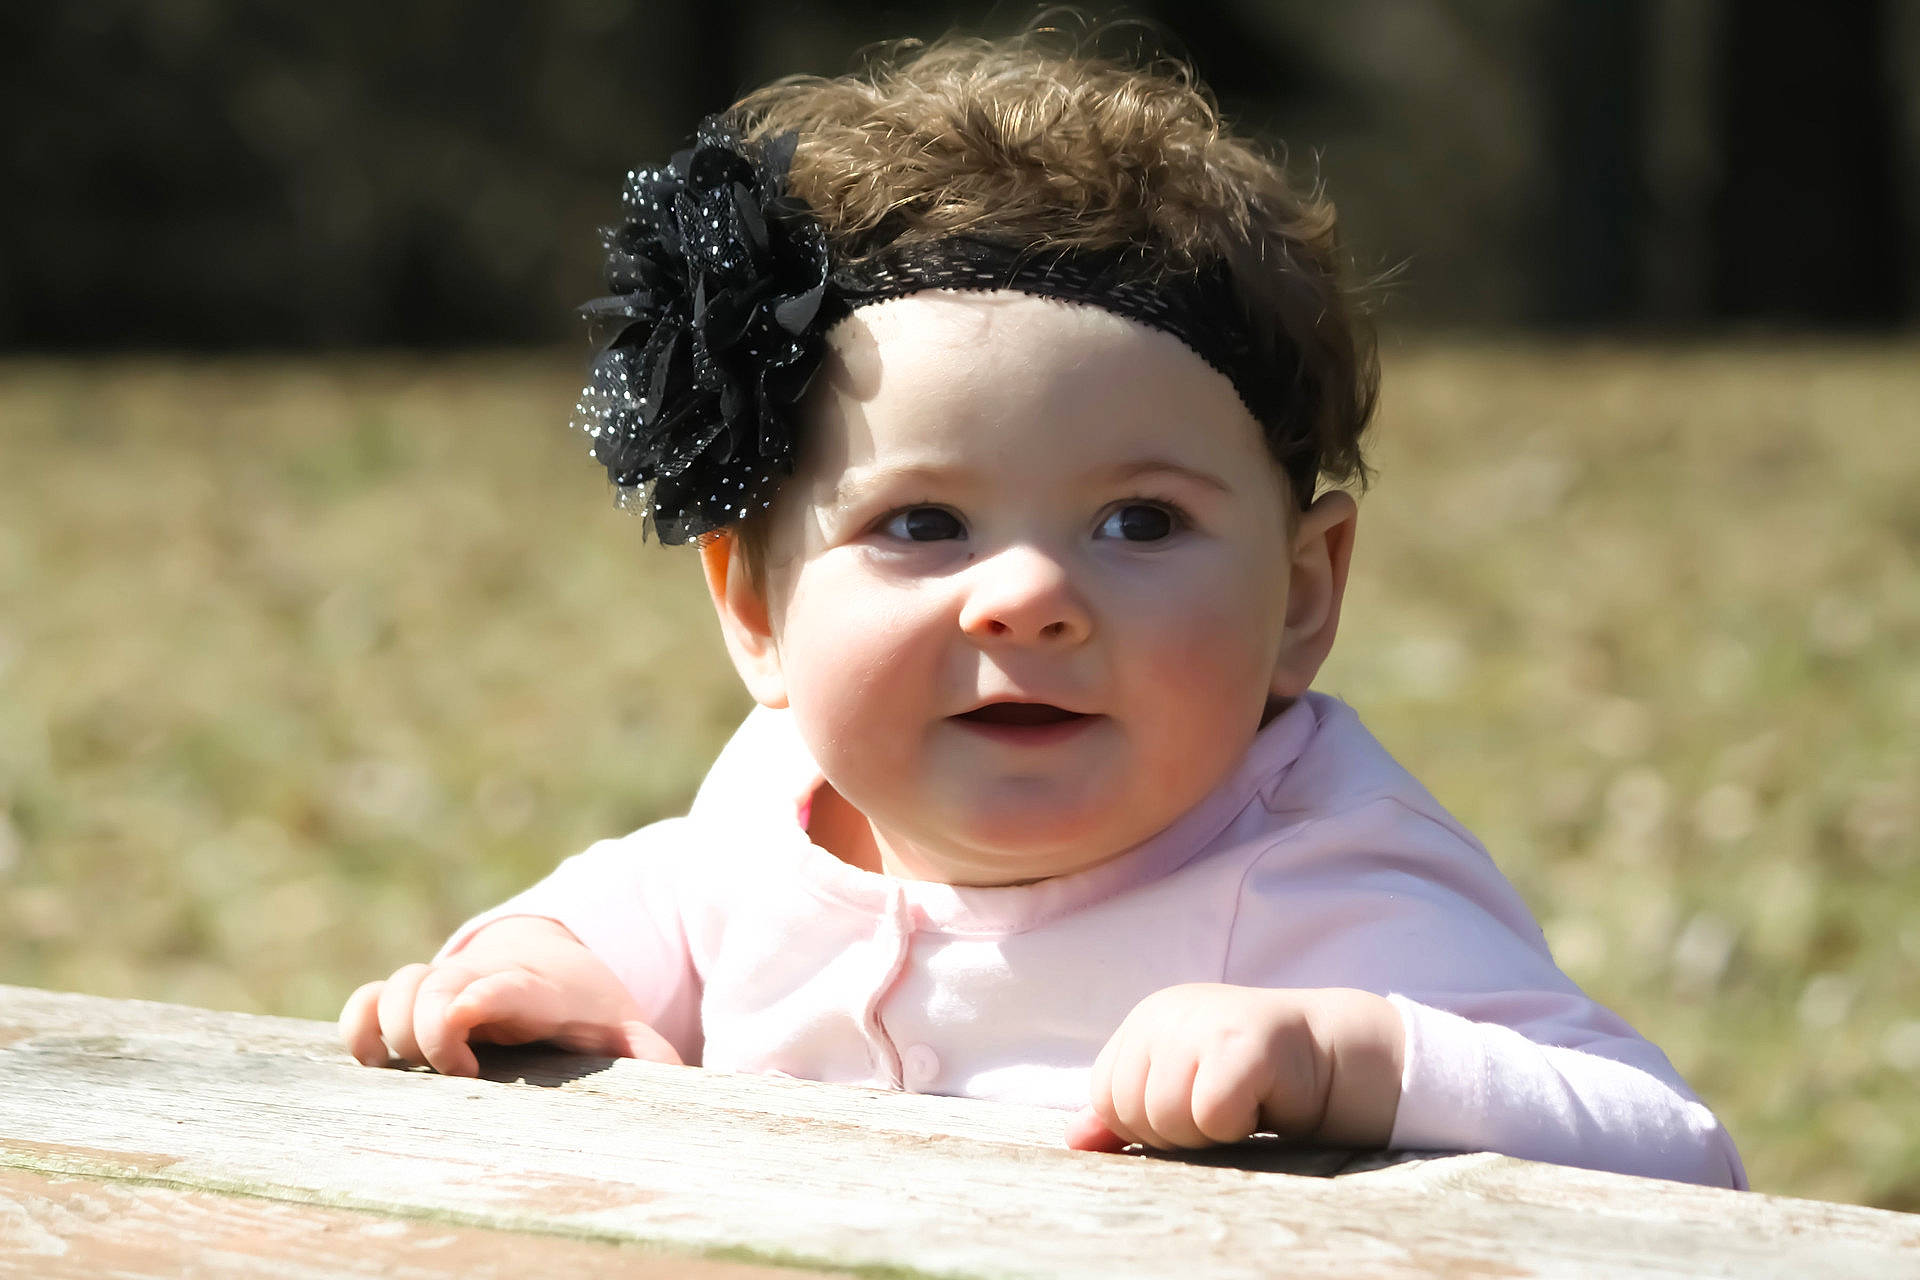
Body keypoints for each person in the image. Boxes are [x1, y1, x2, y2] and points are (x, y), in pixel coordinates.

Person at [338, 27, 1745, 1188]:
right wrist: (532, 969)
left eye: (1141, 522)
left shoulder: (1318, 882)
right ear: (754, 610)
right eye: (922, 524)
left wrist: (1357, 1060)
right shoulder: (770, 800)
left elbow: (1679, 1158)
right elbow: (637, 907)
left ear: (1304, 593)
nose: (1027, 599)